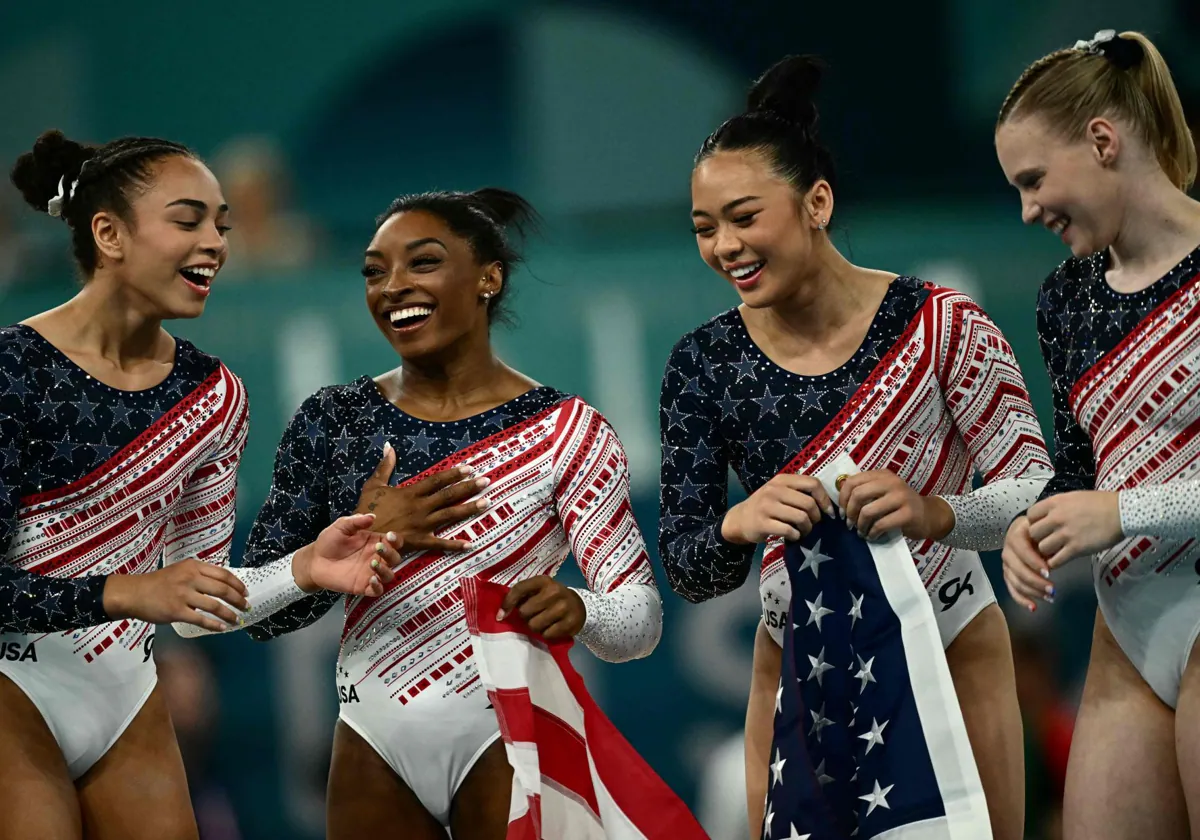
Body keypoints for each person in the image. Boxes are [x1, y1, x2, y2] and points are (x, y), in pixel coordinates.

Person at [659, 56, 1053, 840]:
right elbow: (689, 566)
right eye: (705, 228)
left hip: (947, 643)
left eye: (744, 217)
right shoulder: (702, 364)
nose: (724, 246)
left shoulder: (941, 324)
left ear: (817, 202)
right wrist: (739, 523)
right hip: (801, 667)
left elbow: (1035, 490)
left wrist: (937, 510)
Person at [0, 130, 403, 840]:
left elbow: (193, 604)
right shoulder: (15, 370)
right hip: (13, 688)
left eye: (220, 224)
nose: (215, 242)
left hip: (124, 697)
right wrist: (123, 592)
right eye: (187, 220)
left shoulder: (215, 397)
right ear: (109, 234)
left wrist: (305, 569)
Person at [235, 188, 663, 840]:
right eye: (375, 272)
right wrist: (331, 558)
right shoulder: (336, 421)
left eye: (423, 263)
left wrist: (582, 609)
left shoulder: (567, 432)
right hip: (370, 736)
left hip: (508, 731)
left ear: (488, 276)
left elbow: (640, 619)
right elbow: (244, 608)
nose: (393, 287)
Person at [996, 28, 1200, 839]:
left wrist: (1120, 514)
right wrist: (1037, 524)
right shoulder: (1066, 299)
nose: (1027, 210)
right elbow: (1082, 464)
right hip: (1129, 632)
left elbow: (1114, 502)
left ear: (1104, 140)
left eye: (1034, 179)